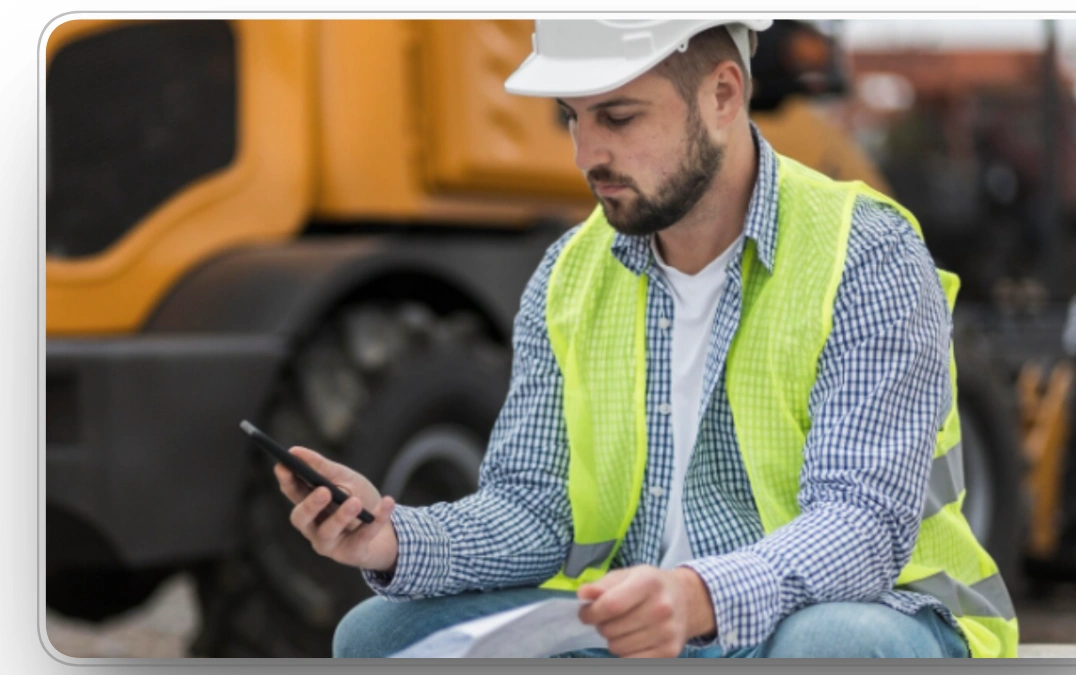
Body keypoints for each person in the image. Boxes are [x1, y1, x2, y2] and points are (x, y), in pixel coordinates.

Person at [273, 19, 1018, 659]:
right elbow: (534, 509)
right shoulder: (570, 273)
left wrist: (696, 595)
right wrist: (393, 539)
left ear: (724, 94)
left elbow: (860, 525)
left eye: (619, 117)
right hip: (651, 632)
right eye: (572, 117)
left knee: (831, 646)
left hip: (858, 616)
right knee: (375, 635)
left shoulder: (866, 252)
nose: (585, 154)